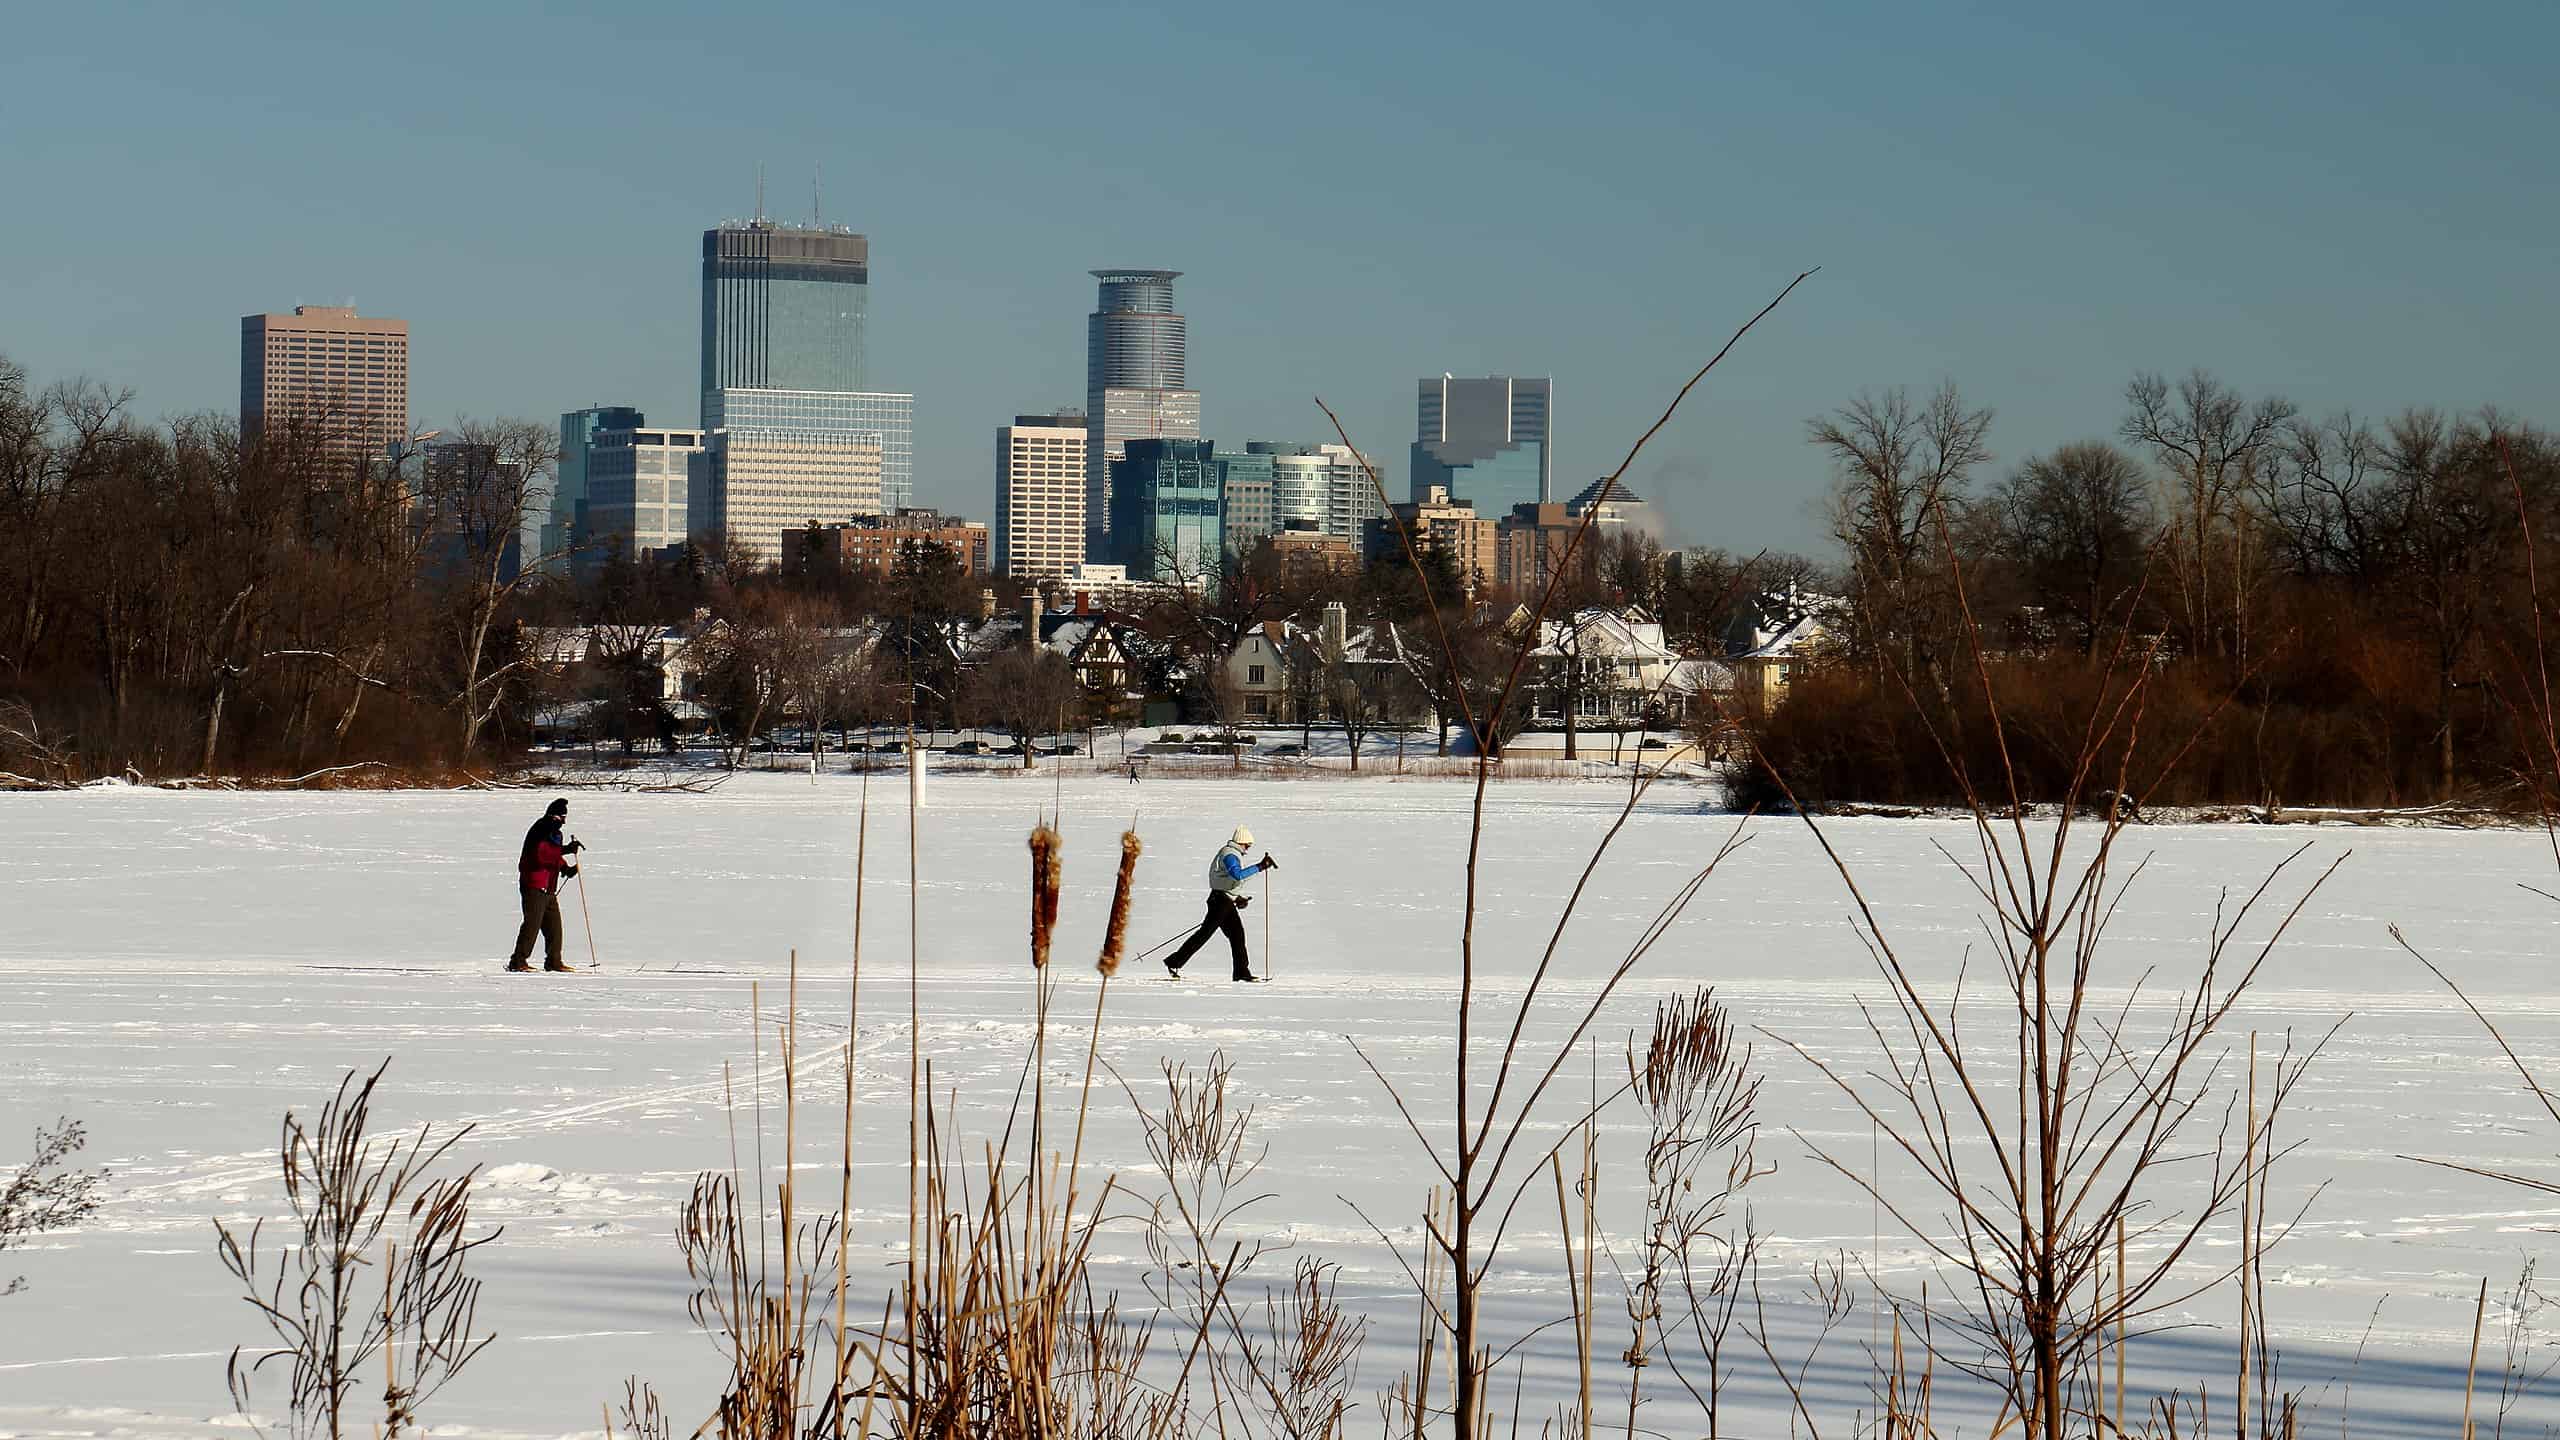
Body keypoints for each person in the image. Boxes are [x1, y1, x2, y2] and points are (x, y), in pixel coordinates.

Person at [1164, 825, 1278, 982]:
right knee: (1205, 934)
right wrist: (1260, 867)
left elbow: (1227, 880)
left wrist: (1237, 897)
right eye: (1247, 845)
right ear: (1241, 842)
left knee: (1237, 935)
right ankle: (1174, 962)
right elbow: (1237, 875)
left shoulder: (1231, 853)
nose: (1248, 848)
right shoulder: (1229, 854)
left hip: (1224, 900)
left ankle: (1241, 973)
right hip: (1220, 901)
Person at [507, 798, 585, 972]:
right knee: (532, 925)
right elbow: (541, 855)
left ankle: (554, 962)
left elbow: (553, 853)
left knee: (554, 928)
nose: (564, 821)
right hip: (534, 884)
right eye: (561, 817)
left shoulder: (553, 831)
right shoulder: (542, 829)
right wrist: (565, 850)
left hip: (548, 886)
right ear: (553, 816)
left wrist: (565, 868)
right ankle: (518, 962)